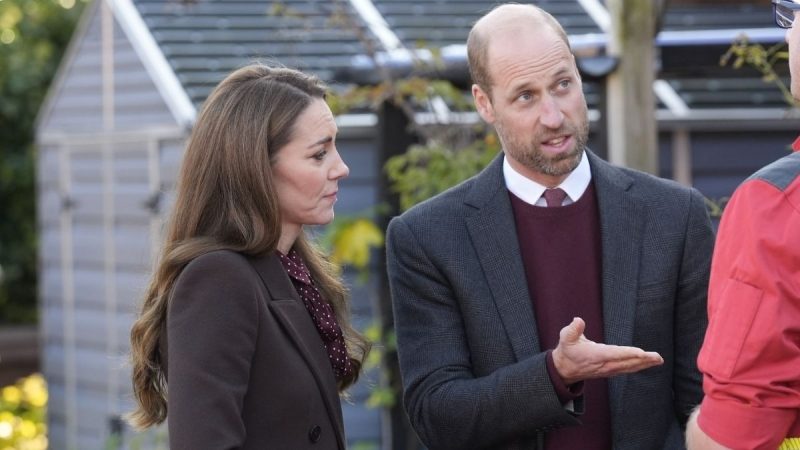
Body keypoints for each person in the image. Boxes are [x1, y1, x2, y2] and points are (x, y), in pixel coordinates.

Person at [385, 4, 715, 450]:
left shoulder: (674, 216)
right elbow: (438, 414)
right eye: (526, 96)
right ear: (485, 103)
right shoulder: (429, 238)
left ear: (579, 76)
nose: (554, 116)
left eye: (562, 85)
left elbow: (706, 396)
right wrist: (555, 374)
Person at [126, 64, 370, 449]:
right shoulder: (218, 279)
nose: (341, 168)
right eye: (319, 154)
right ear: (256, 166)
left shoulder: (288, 270)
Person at [685, 1, 800, 449]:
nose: (787, 34)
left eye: (794, 14)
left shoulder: (777, 207)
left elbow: (733, 436)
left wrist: (699, 425)